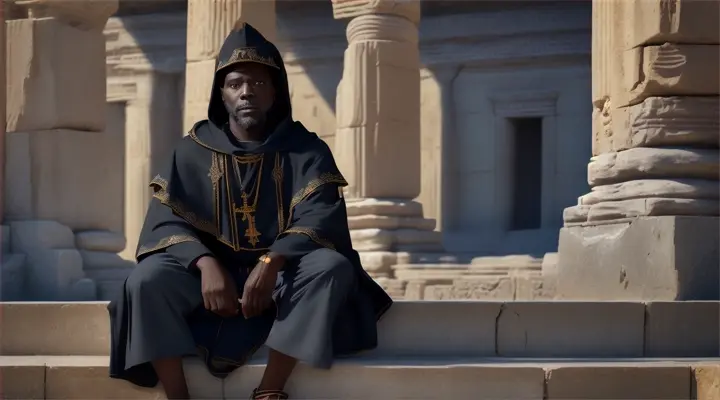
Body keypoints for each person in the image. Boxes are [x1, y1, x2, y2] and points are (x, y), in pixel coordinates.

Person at [107, 22, 393, 400]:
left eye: (258, 83)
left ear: (275, 91)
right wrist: (206, 266)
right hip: (205, 279)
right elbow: (166, 222)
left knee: (332, 267)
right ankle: (177, 394)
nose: (246, 93)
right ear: (221, 93)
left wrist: (271, 262)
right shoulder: (189, 150)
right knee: (145, 280)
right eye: (236, 84)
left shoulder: (307, 149)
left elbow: (320, 216)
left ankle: (270, 389)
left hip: (284, 275)